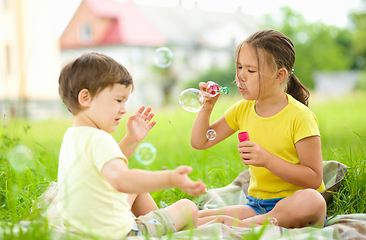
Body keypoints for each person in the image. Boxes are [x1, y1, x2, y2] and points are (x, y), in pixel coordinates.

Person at [57, 52, 206, 239]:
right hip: (118, 235)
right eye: (118, 100)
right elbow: (120, 179)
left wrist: (132, 139)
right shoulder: (99, 138)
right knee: (188, 207)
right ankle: (163, 228)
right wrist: (170, 178)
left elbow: (107, 166)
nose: (124, 109)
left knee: (135, 188)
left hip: (80, 231)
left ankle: (159, 221)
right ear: (85, 97)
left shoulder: (72, 136)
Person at [192, 29, 327, 228]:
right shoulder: (242, 109)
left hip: (295, 205)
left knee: (313, 201)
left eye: (251, 70)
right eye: (239, 67)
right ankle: (254, 223)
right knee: (198, 217)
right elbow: (200, 141)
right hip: (258, 206)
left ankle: (246, 225)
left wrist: (267, 160)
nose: (240, 77)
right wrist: (207, 108)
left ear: (279, 75)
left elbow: (314, 179)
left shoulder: (300, 117)